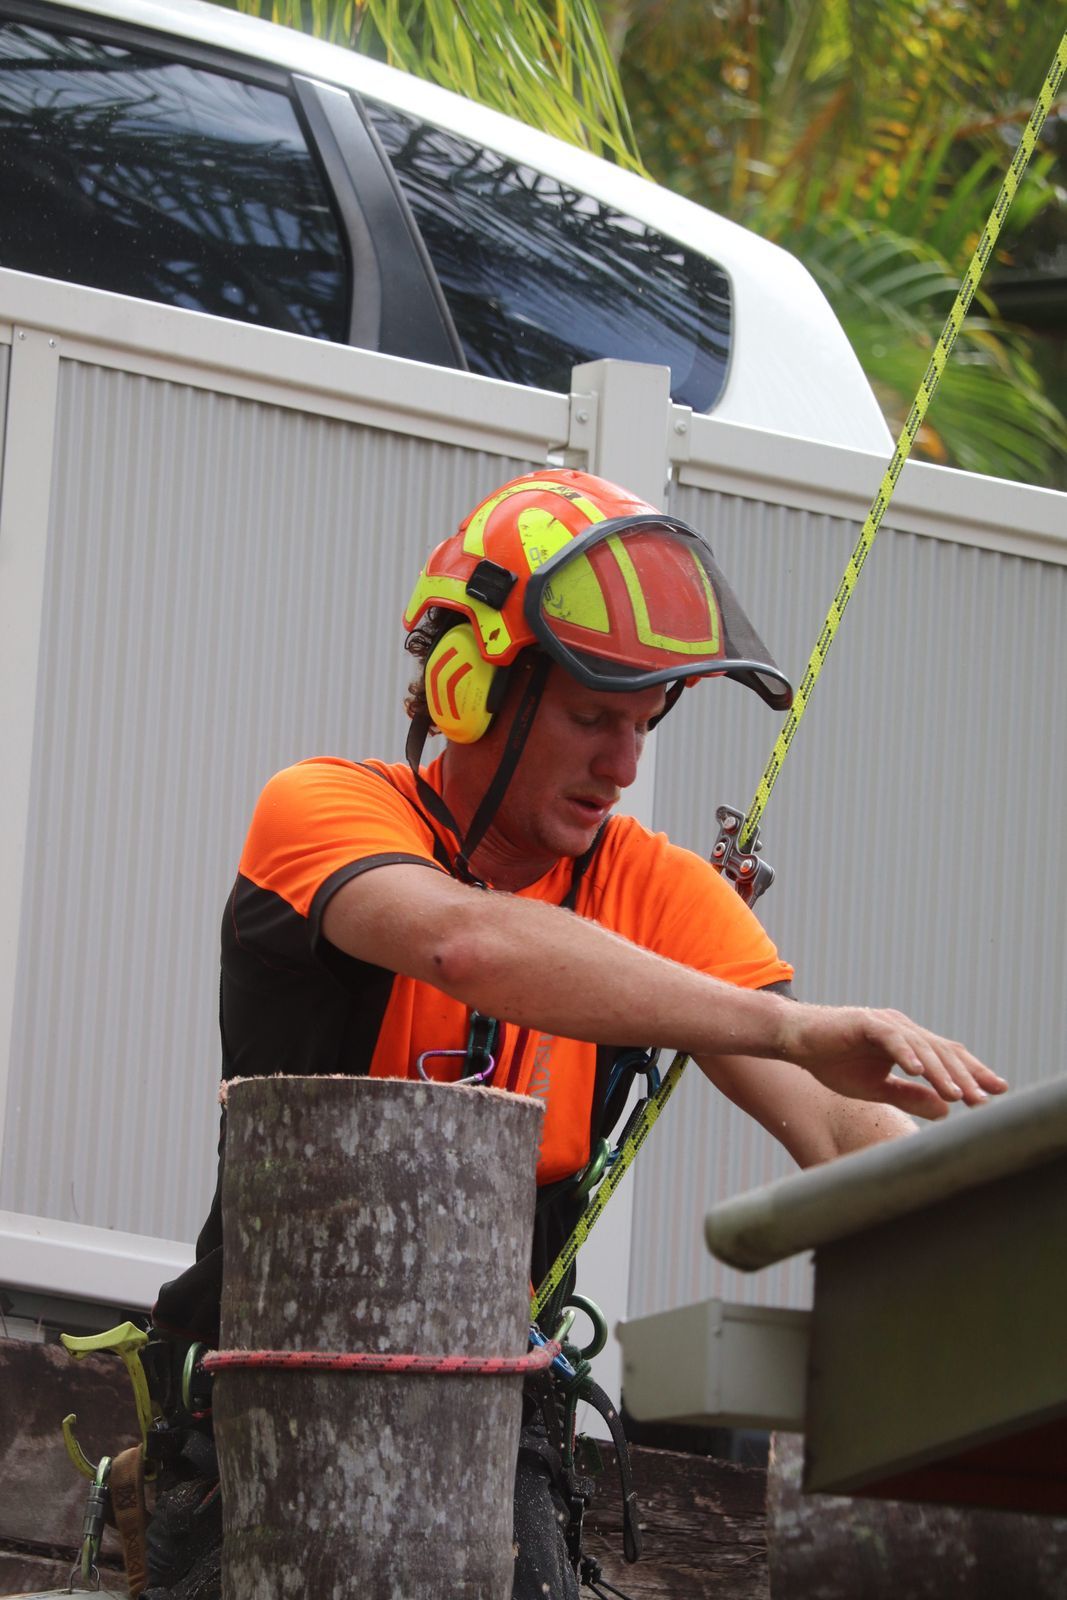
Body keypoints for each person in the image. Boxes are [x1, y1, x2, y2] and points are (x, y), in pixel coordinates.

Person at [146, 469, 1006, 1599]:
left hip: (498, 1428)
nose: (623, 765)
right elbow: (464, 943)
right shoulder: (320, 810)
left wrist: (988, 1218)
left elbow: (843, 1128)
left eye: (643, 723)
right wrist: (786, 1024)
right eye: (593, 717)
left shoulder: (641, 886)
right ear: (464, 688)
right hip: (261, 1409)